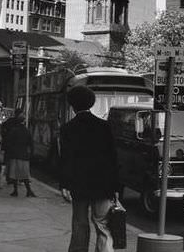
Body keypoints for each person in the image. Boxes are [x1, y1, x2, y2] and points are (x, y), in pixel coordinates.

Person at [60, 86, 119, 252]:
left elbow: (66, 159)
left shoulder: (67, 128)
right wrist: (115, 187)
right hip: (103, 185)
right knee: (103, 225)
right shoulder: (104, 126)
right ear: (91, 103)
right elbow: (112, 158)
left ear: (72, 105)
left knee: (80, 224)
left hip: (78, 185)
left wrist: (64, 184)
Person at [3, 109, 36, 197]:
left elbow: (9, 142)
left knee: (14, 174)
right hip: (24, 155)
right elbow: (31, 143)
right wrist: (31, 153)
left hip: (14, 155)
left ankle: (15, 191)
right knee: (25, 175)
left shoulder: (13, 130)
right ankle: (29, 190)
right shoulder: (27, 131)